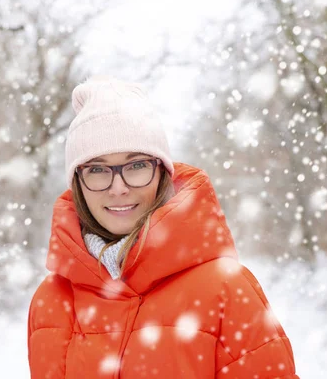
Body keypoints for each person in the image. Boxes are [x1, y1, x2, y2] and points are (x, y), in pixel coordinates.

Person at [27, 76, 299, 378]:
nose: (118, 187)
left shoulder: (226, 290)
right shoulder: (51, 300)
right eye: (97, 169)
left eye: (136, 165)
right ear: (77, 182)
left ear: (162, 174)